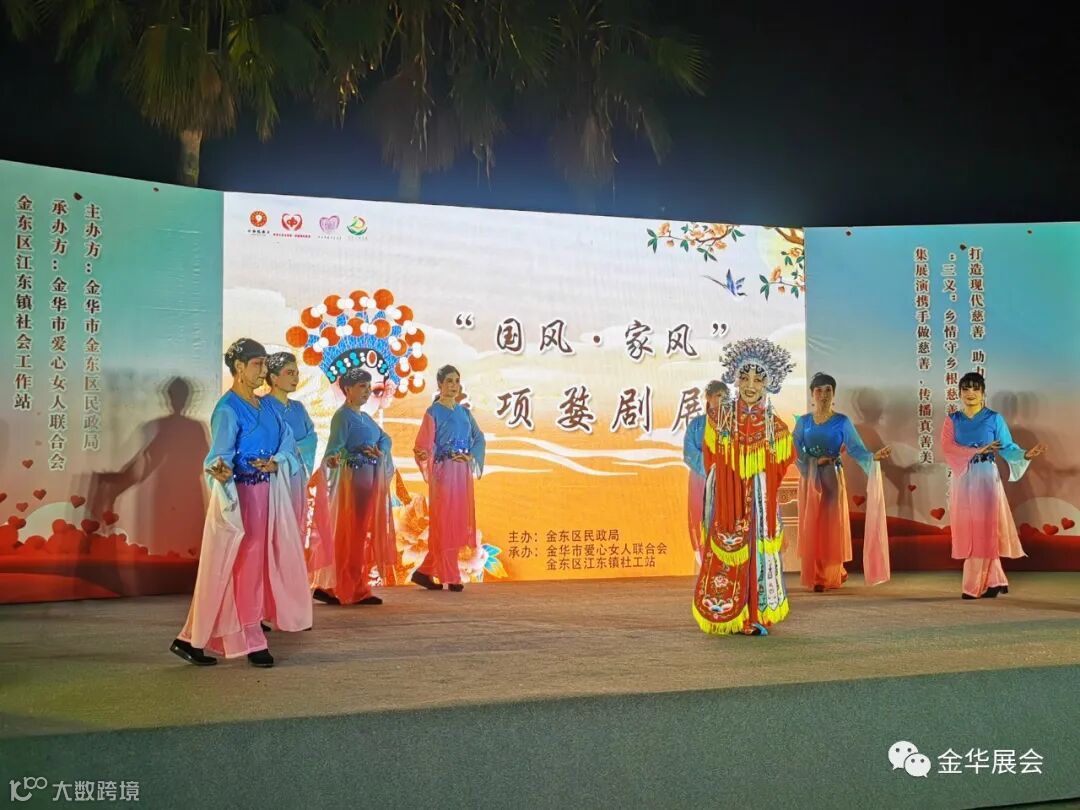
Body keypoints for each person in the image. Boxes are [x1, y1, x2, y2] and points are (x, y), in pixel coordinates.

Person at [171, 338, 311, 668]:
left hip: (268, 498)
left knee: (248, 567)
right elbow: (217, 458)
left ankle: (190, 638)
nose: (263, 371)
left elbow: (288, 444)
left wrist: (277, 462)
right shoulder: (228, 409)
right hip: (242, 500)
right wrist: (220, 471)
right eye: (257, 364)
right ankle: (252, 638)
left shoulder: (267, 407)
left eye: (264, 364)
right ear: (238, 367)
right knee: (242, 568)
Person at [692, 338, 794, 636]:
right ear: (735, 378)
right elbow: (710, 457)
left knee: (756, 555)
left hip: (758, 502)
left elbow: (781, 464)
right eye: (745, 377)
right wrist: (726, 484)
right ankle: (724, 614)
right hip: (726, 499)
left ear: (768, 384)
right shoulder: (718, 417)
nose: (750, 385)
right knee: (724, 549)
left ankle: (752, 614)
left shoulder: (775, 427)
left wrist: (758, 482)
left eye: (758, 379)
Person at [941, 372, 1046, 599]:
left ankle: (973, 586)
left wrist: (1025, 454)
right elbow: (948, 447)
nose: (970, 393)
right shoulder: (953, 419)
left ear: (983, 393)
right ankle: (995, 580)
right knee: (968, 527)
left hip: (986, 477)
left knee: (984, 528)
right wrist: (976, 450)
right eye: (965, 389)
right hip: (962, 477)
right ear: (959, 393)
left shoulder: (994, 418)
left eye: (975, 389)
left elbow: (1007, 447)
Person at [793, 372, 892, 591]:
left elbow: (855, 448)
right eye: (819, 390)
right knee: (812, 525)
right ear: (812, 394)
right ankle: (816, 574)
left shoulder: (842, 421)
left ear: (834, 393)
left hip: (831, 478)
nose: (823, 394)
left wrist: (872, 457)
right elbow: (795, 450)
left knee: (830, 526)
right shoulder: (803, 422)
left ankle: (829, 573)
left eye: (828, 390)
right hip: (809, 479)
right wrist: (814, 461)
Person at [310, 367, 396, 605]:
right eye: (362, 387)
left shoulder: (365, 417)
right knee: (350, 535)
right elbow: (334, 450)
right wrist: (342, 457)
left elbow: (385, 438)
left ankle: (345, 586)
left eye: (369, 387)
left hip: (368, 482)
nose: (367, 391)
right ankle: (345, 588)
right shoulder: (343, 417)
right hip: (352, 482)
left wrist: (379, 450)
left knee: (359, 535)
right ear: (347, 389)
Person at [411, 365, 485, 592]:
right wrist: (424, 454)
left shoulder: (464, 413)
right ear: (440, 385)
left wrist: (470, 455)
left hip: (461, 474)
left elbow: (479, 438)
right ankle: (451, 576)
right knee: (444, 523)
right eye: (449, 381)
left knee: (456, 522)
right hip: (443, 472)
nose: (454, 385)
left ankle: (424, 572)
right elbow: (423, 444)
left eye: (457, 381)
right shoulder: (433, 412)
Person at [683, 381, 729, 569]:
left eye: (725, 396)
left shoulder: (731, 424)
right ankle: (704, 558)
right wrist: (710, 466)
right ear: (709, 397)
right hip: (700, 478)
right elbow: (688, 452)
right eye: (718, 395)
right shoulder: (696, 425)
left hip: (726, 478)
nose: (721, 400)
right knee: (699, 514)